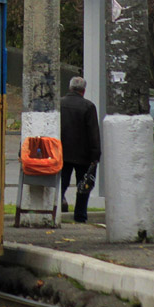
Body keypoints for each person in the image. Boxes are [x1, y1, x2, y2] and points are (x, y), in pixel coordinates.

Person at [60, 76, 101, 224]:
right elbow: (93, 133)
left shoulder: (60, 104)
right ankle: (80, 215)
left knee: (61, 184)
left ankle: (57, 210)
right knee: (83, 186)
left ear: (70, 88)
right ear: (83, 91)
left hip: (62, 153)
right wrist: (95, 155)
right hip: (83, 155)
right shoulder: (88, 107)